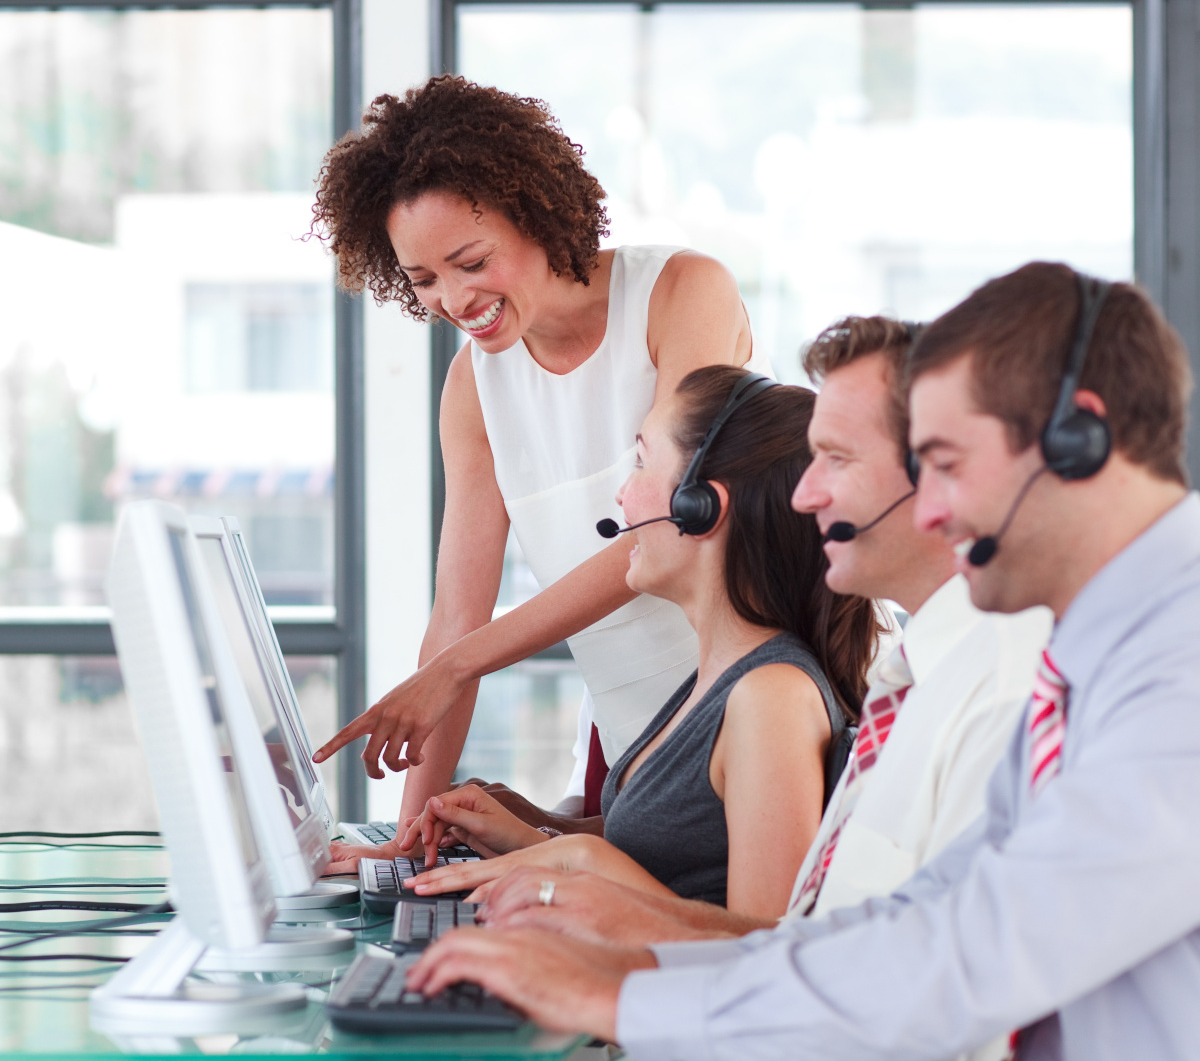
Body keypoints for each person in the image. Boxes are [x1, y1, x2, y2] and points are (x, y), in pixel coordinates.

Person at [405, 262, 1200, 1061]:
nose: (927, 509)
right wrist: (632, 956)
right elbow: (895, 928)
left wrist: (621, 992)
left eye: (947, 466)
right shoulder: (1065, 659)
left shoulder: (1167, 669)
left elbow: (977, 951)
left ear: (1078, 440)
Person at [463, 316, 1050, 973]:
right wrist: (547, 842)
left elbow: (800, 952)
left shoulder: (993, 693)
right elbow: (815, 940)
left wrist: (582, 869)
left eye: (838, 458)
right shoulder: (912, 681)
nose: (807, 492)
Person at [308, 78, 771, 861]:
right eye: (423, 282)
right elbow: (457, 615)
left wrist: (456, 667)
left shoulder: (681, 295)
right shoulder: (473, 387)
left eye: (471, 261)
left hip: (760, 715)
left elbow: (665, 532)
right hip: (638, 745)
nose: (455, 298)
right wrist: (403, 840)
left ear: (534, 209)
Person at [400, 367, 879, 919]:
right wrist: (532, 836)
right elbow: (674, 868)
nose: (622, 495)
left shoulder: (772, 697)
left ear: (701, 506)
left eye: (643, 463)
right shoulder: (721, 676)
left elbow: (765, 944)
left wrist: (578, 857)